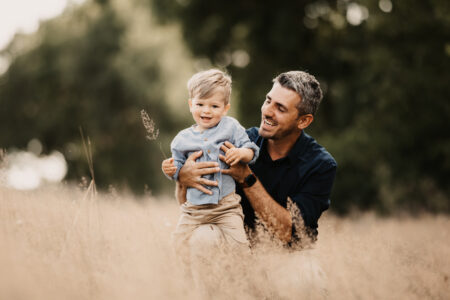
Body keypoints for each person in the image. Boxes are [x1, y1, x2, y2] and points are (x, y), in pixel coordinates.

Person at [173, 70, 337, 247]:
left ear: (303, 121)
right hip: (234, 246)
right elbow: (190, 204)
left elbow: (289, 232)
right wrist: (183, 177)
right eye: (268, 101)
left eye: (280, 108)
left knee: (305, 273)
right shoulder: (238, 140)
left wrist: (246, 177)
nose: (267, 111)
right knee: (203, 237)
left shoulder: (321, 165)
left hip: (288, 254)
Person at [161, 69, 259, 255]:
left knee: (240, 248)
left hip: (226, 208)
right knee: (178, 245)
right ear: (191, 105)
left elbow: (252, 151)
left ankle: (243, 278)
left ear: (225, 108)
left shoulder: (231, 127)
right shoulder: (182, 139)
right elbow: (179, 172)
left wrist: (241, 152)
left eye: (214, 106)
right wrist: (170, 170)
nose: (206, 110)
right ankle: (186, 277)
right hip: (194, 210)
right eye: (200, 104)